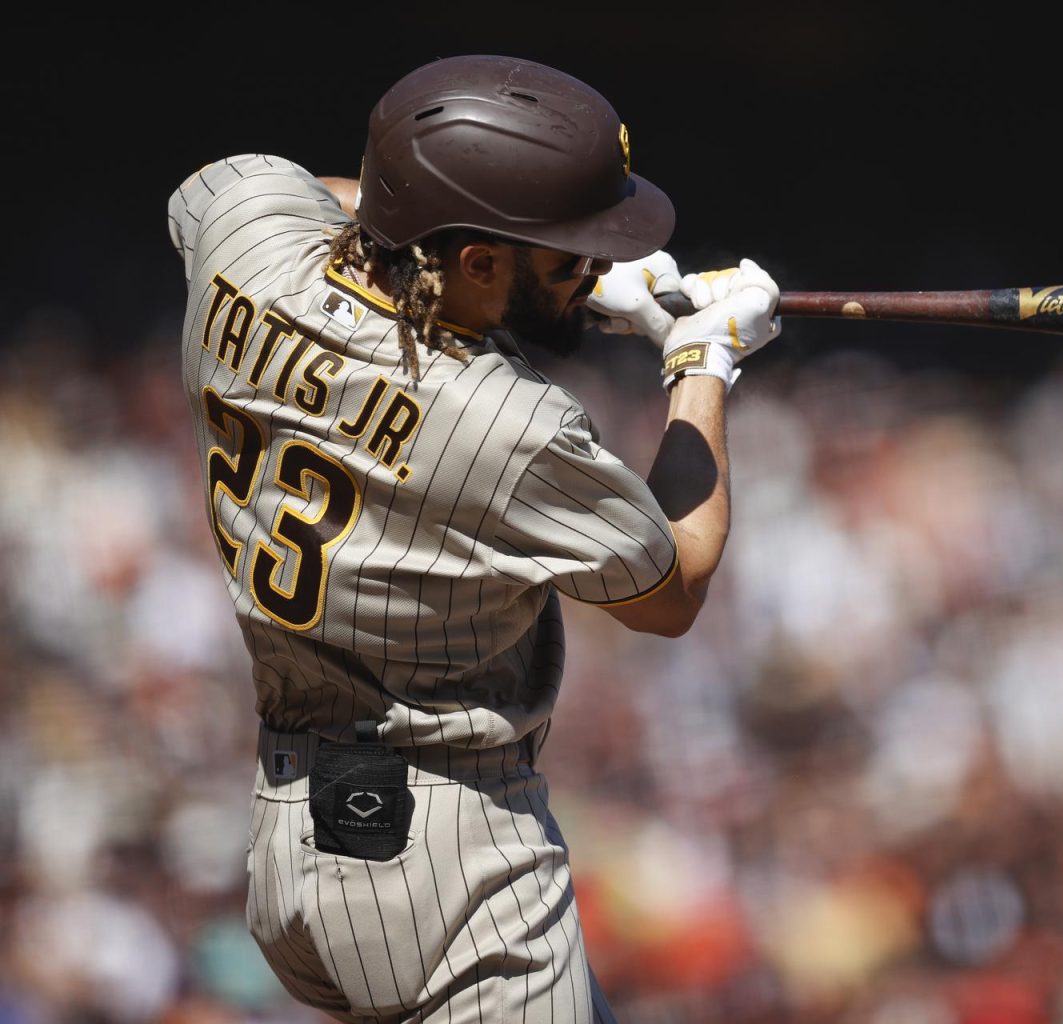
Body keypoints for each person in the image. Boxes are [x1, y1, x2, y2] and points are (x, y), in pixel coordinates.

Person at [165, 53, 781, 1024]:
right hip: (453, 867)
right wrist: (701, 363)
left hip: (291, 835)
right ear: (477, 259)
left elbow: (289, 194)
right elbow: (677, 582)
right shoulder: (503, 422)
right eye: (568, 251)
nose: (592, 265)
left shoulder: (246, 240)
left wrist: (561, 273)